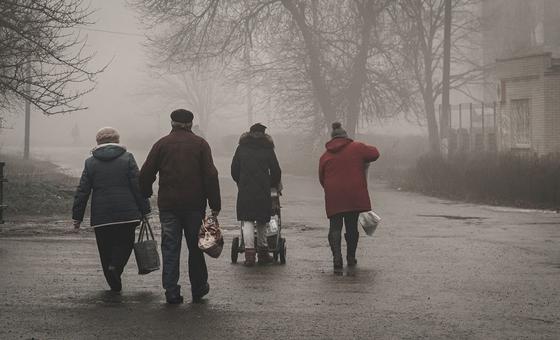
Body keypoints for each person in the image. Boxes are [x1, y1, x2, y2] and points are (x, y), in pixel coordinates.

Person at [139, 109, 221, 304]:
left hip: (168, 205)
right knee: (196, 247)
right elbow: (211, 175)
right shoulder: (201, 144)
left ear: (172, 123)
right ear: (191, 124)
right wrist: (214, 204)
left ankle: (171, 291)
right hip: (194, 205)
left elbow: (145, 173)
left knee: (170, 247)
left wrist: (146, 193)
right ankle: (199, 287)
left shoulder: (161, 144)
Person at [72, 127, 151, 292]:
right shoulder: (127, 158)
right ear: (116, 141)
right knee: (125, 244)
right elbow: (137, 186)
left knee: (105, 248)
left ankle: (113, 281)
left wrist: (77, 216)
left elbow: (83, 190)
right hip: (127, 213)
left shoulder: (90, 162)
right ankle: (116, 268)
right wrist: (145, 209)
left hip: (101, 215)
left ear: (98, 142)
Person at [319, 122, 380, 274]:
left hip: (334, 194)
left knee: (335, 227)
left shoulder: (325, 156)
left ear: (332, 138)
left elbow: (321, 178)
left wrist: (331, 189)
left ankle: (337, 258)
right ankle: (351, 257)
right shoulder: (357, 148)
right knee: (352, 226)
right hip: (353, 194)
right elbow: (375, 153)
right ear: (346, 137)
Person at [231, 123, 282, 266]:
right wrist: (269, 183)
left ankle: (249, 255)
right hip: (262, 190)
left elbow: (234, 169)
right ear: (264, 134)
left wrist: (240, 182)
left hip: (245, 190)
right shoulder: (268, 149)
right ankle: (263, 252)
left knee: (247, 220)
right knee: (261, 220)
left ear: (250, 133)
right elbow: (276, 171)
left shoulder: (241, 148)